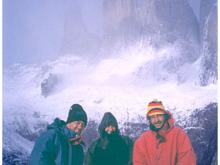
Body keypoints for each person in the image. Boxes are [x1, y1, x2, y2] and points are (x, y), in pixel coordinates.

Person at [133, 99, 196, 165]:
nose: (156, 120)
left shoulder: (179, 135)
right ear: (149, 119)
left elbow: (187, 160)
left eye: (159, 115)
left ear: (165, 116)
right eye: (152, 117)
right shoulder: (141, 142)